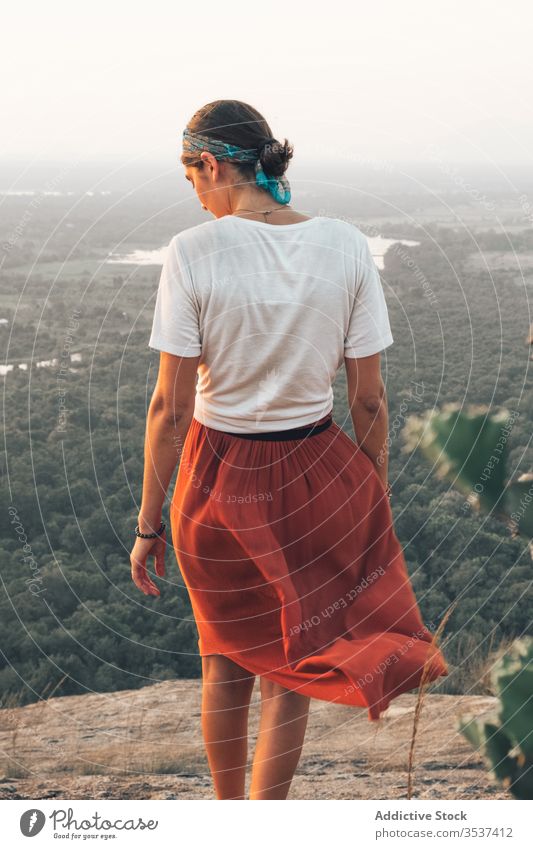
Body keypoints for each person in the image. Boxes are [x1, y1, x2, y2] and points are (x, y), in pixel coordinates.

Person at [130, 99, 448, 800]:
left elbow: (170, 407)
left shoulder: (191, 252)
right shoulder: (344, 244)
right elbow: (367, 398)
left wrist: (148, 523)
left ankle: (226, 815)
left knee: (223, 659)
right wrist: (370, 495)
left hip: (216, 479)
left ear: (210, 164)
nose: (197, 197)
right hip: (318, 472)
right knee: (289, 666)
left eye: (191, 180)